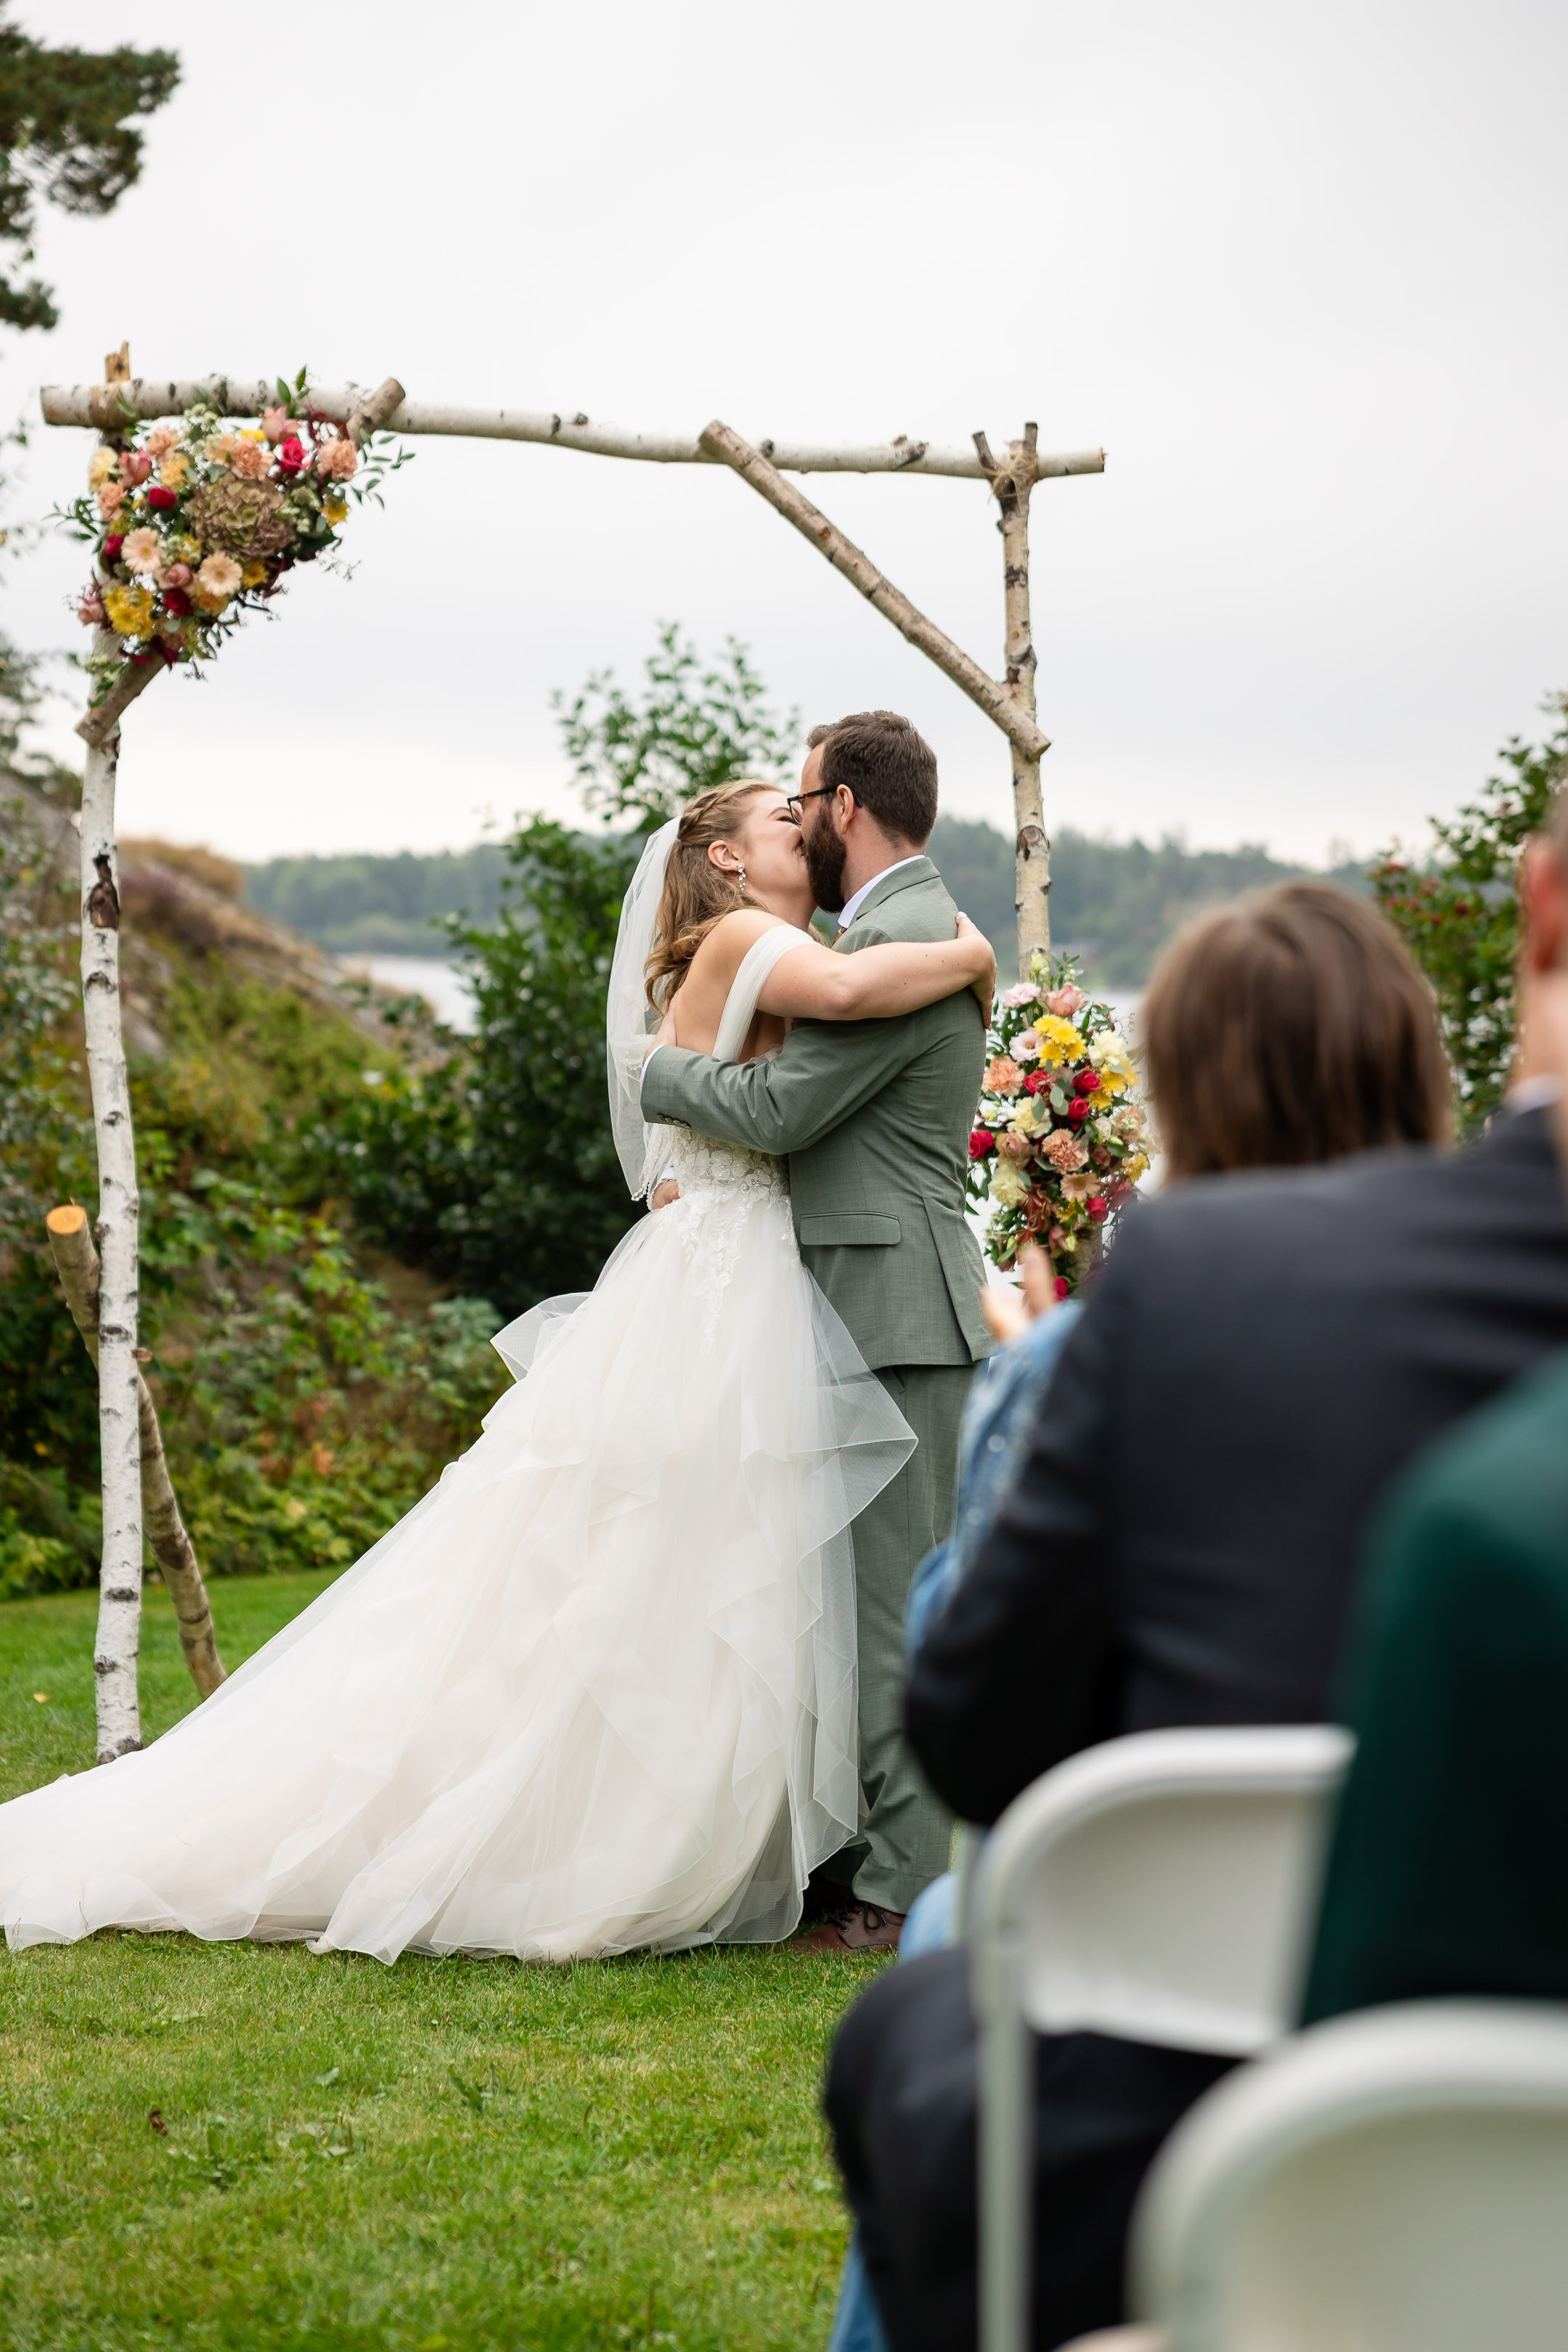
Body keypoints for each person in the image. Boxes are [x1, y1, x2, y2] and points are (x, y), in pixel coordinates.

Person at [0, 777, 995, 1962]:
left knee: (716, 1564)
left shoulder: (767, 939)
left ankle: (753, 1832)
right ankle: (628, 1828)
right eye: (782, 822)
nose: (805, 831)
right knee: (671, 1557)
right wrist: (974, 953)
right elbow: (827, 1017)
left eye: (807, 811)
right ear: (724, 862)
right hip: (727, 1288)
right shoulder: (756, 938)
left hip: (751, 1280)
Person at [826, 870, 1568, 2352]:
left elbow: (973, 1734)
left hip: (1243, 2160)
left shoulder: (1196, 1284)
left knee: (930, 1998)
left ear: (1541, 908)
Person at [642, 711, 994, 1953]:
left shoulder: (896, 937)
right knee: (843, 1609)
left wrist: (658, 1079)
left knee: (896, 1612)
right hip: (849, 1300)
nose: (798, 823)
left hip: (893, 1306)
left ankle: (896, 1892)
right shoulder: (901, 933)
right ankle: (842, 1862)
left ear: (846, 806)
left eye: (805, 805)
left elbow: (789, 1111)